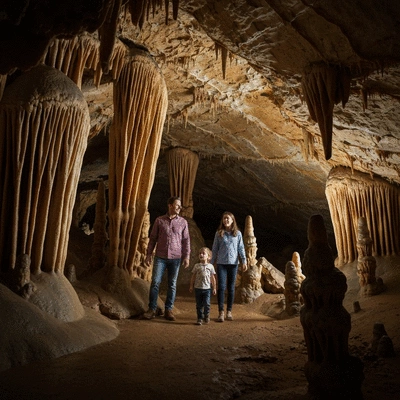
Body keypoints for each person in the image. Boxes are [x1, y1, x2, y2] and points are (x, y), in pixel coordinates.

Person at [143, 196, 191, 321]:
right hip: (160, 256)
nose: (179, 208)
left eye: (180, 206)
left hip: (175, 258)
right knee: (155, 283)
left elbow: (186, 241)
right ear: (170, 205)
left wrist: (186, 256)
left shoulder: (183, 223)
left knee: (172, 284)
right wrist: (148, 254)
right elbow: (153, 238)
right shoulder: (160, 221)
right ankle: (152, 309)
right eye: (177, 205)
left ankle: (168, 309)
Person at [211, 211, 247, 322]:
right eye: (224, 218)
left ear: (232, 220)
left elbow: (241, 248)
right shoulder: (219, 233)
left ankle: (229, 312)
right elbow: (215, 249)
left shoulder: (238, 234)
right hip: (221, 263)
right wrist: (211, 263)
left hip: (233, 264)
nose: (226, 220)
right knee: (221, 287)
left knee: (231, 288)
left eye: (228, 218)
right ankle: (221, 312)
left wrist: (244, 261)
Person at [189, 247, 217, 325]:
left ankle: (206, 315)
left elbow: (213, 278)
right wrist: (191, 286)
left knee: (207, 303)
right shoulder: (197, 266)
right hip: (198, 288)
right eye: (200, 253)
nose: (201, 255)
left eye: (203, 253)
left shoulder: (210, 266)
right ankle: (199, 318)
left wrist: (214, 287)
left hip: (207, 289)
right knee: (199, 304)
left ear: (209, 257)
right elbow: (193, 276)